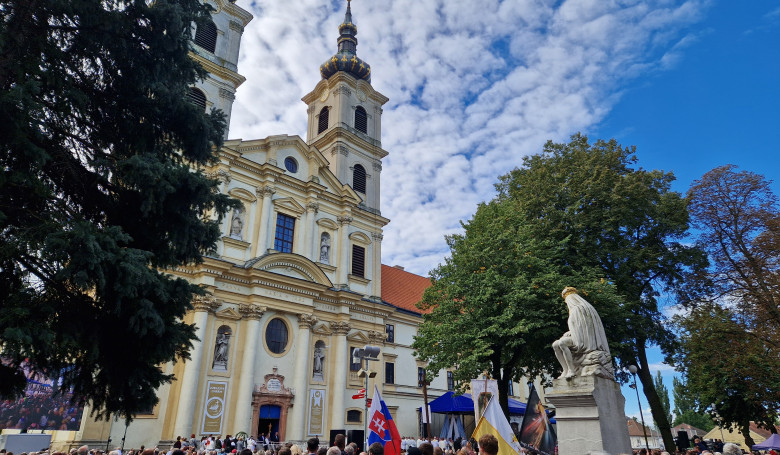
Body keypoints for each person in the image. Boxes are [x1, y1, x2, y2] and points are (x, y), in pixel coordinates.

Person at [552, 287, 610, 379]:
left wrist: (571, 332)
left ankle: (571, 370)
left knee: (562, 343)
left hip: (584, 339)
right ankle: (565, 370)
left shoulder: (578, 309)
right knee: (555, 344)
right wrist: (570, 332)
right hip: (577, 335)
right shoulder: (580, 309)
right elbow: (579, 326)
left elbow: (583, 326)